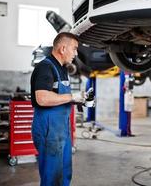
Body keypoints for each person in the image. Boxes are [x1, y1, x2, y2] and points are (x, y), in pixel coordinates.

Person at [31, 32, 85, 186]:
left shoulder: (62, 69)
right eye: (74, 49)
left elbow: (60, 97)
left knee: (64, 173)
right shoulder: (45, 67)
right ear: (62, 48)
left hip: (62, 129)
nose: (76, 53)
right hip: (49, 129)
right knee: (52, 176)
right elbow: (42, 98)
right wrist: (72, 97)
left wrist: (79, 100)